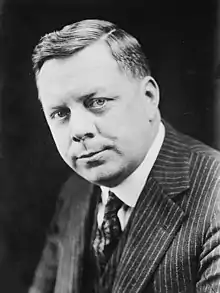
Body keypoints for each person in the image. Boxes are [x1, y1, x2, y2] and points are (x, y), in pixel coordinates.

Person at [29, 19, 220, 293]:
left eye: (97, 102)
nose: (79, 131)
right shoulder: (75, 192)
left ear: (149, 97)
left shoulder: (215, 198)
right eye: (61, 114)